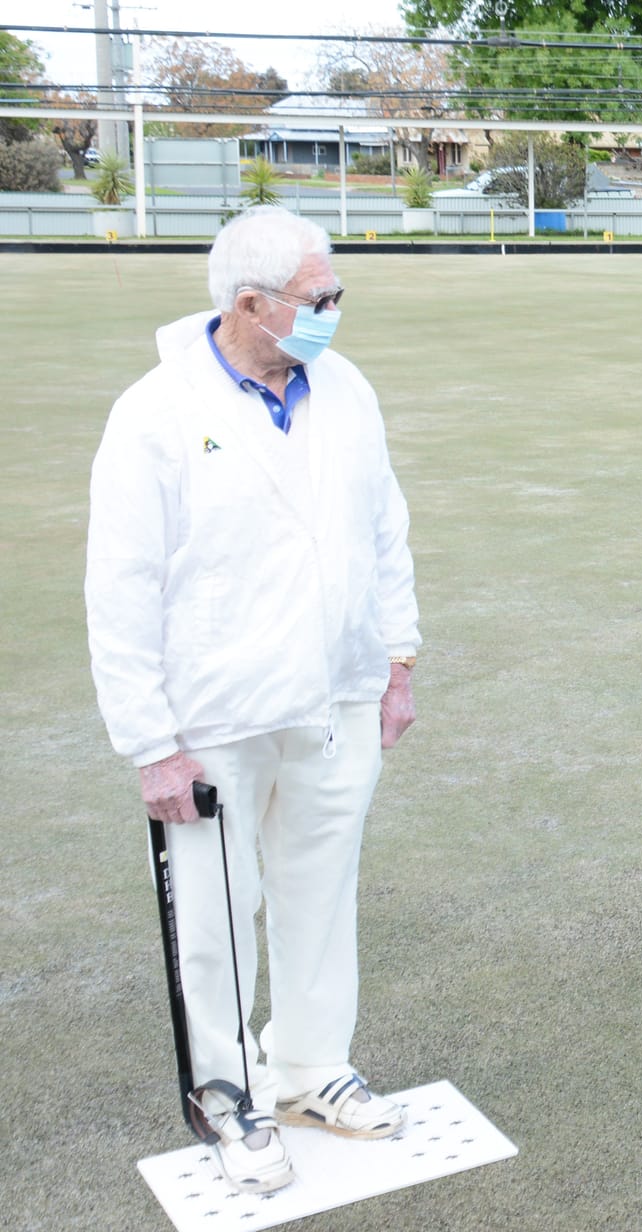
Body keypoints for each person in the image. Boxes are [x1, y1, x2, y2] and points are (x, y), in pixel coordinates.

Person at [85, 206, 420, 1193]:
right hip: (215, 716)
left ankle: (312, 1068)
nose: (335, 312)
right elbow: (121, 587)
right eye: (321, 298)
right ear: (249, 304)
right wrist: (151, 742)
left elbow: (384, 524)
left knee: (322, 893)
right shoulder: (153, 413)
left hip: (335, 697)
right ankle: (227, 1092)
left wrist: (397, 661)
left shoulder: (346, 389)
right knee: (219, 915)